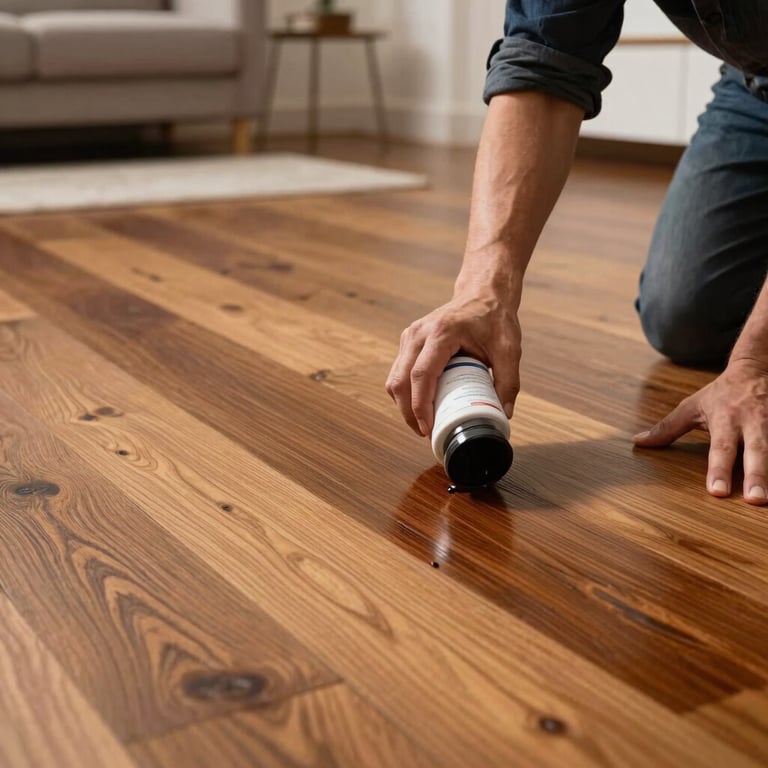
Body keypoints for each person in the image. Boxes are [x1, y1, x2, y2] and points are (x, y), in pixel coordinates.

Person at [386, 1, 768, 506]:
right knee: (685, 317)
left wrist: (756, 361)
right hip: (752, 87)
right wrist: (483, 292)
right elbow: (545, 58)